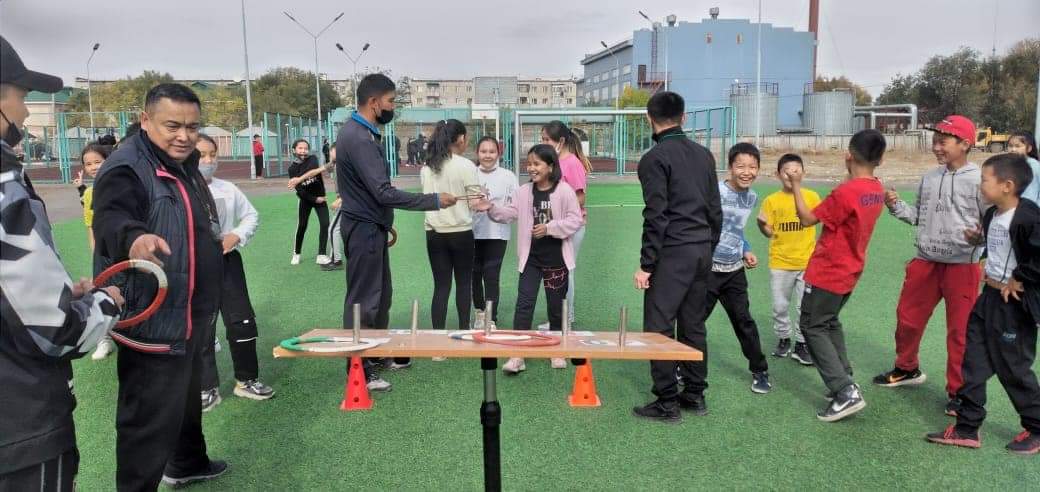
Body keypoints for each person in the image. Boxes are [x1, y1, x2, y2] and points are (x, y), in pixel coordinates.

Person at [0, 34, 124, 492]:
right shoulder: (4, 187)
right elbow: (56, 329)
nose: (26, 112)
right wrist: (105, 304)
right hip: (18, 426)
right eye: (20, 96)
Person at [92, 83, 228, 489]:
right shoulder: (125, 167)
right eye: (172, 125)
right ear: (145, 120)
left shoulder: (181, 160)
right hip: (153, 318)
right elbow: (111, 217)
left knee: (186, 398)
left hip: (188, 312)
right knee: (146, 422)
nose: (184, 136)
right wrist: (134, 236)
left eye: (192, 126)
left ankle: (187, 462)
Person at [336, 73, 456, 389]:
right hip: (363, 229)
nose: (392, 108)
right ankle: (359, 369)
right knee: (364, 300)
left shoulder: (361, 133)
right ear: (374, 102)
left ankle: (375, 356)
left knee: (381, 296)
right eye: (390, 101)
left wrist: (383, 223)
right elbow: (382, 192)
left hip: (370, 227)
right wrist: (434, 200)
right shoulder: (358, 138)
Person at [926, 153, 1040, 455]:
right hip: (987, 297)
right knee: (972, 362)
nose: (980, 186)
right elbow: (998, 247)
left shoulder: (1030, 217)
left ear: (1007, 185)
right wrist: (978, 240)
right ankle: (966, 428)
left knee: (1013, 368)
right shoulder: (991, 215)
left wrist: (1020, 278)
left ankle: (1037, 428)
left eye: (985, 180)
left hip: (1014, 303)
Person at [872, 115, 986, 417]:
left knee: (960, 332)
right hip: (925, 261)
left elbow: (994, 222)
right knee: (907, 318)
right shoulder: (929, 177)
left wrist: (981, 238)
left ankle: (958, 392)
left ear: (965, 144)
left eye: (943, 140)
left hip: (963, 266)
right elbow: (918, 216)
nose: (936, 146)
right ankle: (906, 368)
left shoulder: (980, 180)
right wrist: (895, 205)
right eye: (935, 140)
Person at [631, 91, 722, 423]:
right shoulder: (704, 155)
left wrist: (646, 264)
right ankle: (695, 395)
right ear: (684, 118)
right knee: (694, 325)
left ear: (649, 118)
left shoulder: (654, 159)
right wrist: (707, 247)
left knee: (658, 327)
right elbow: (715, 209)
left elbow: (656, 216)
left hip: (673, 253)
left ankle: (667, 401)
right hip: (701, 249)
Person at [788, 129, 888, 422]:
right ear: (879, 159)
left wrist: (796, 184)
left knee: (812, 325)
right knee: (829, 322)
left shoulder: (845, 192)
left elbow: (807, 219)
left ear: (848, 155)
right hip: (850, 269)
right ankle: (844, 377)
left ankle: (844, 391)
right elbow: (852, 188)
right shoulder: (875, 188)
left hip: (828, 270)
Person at [475, 144, 583, 374]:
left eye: (537, 164)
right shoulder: (524, 192)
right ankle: (518, 355)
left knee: (556, 308)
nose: (531, 168)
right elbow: (509, 214)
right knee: (524, 305)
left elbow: (575, 220)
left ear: (550, 166)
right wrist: (490, 208)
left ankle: (556, 351)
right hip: (531, 260)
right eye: (529, 163)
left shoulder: (564, 191)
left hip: (557, 260)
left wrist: (551, 227)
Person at [195, 134, 274, 412]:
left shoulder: (228, 189)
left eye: (212, 154)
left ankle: (247, 380)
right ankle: (206, 388)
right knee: (201, 329)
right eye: (201, 154)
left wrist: (236, 236)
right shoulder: (177, 189)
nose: (208, 160)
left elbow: (251, 215)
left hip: (227, 265)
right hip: (194, 268)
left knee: (242, 322)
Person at [687, 142, 772, 396]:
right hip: (708, 272)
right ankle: (684, 366)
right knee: (694, 323)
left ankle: (760, 371)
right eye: (741, 166)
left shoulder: (752, 197)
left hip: (734, 272)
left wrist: (745, 249)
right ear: (730, 167)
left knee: (744, 322)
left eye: (753, 167)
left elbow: (737, 228)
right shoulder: (715, 193)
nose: (747, 171)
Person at [756, 153, 819, 365]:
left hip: (807, 263)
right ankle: (783, 338)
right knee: (780, 306)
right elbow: (768, 231)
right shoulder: (772, 200)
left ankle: (801, 344)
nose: (792, 174)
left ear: (803, 173)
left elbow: (815, 221)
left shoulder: (812, 197)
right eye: (787, 171)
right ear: (777, 174)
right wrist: (762, 225)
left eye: (796, 170)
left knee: (805, 308)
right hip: (781, 263)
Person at [421, 119, 480, 339]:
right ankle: (464, 332)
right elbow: (476, 201)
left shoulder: (428, 167)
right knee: (464, 283)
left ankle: (438, 342)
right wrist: (484, 200)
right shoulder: (466, 165)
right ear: (461, 139)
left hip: (435, 234)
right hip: (462, 233)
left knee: (441, 286)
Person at [540, 120, 591, 328]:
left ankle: (565, 319)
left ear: (560, 141)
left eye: (546, 140)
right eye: (542, 139)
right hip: (556, 226)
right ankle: (559, 318)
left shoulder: (572, 163)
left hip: (570, 227)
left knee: (565, 271)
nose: (543, 143)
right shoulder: (554, 163)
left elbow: (580, 198)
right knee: (557, 271)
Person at [72, 143, 117, 361]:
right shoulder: (89, 193)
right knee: (102, 290)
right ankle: (104, 339)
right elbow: (90, 226)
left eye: (97, 161)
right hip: (103, 253)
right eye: (88, 164)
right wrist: (96, 253)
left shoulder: (123, 185)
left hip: (124, 251)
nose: (93, 167)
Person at [472, 136, 518, 330]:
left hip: (497, 234)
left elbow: (514, 205)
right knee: (474, 274)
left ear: (498, 153)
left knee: (491, 275)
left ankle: (491, 317)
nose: (487, 155)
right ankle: (479, 313)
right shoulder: (471, 174)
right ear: (477, 153)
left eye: (492, 151)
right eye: (483, 151)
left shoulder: (508, 176)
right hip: (472, 232)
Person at [288, 139, 331, 267]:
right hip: (306, 200)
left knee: (325, 224)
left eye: (305, 148)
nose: (303, 151)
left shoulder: (313, 159)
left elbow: (312, 170)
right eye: (300, 148)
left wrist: (299, 178)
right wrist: (314, 199)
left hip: (320, 198)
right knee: (302, 226)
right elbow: (299, 190)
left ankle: (321, 255)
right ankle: (296, 253)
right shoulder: (291, 169)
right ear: (294, 150)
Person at [1007, 131, 1040, 204]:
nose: (1013, 149)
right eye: (1010, 146)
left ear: (1029, 148)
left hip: (1030, 211)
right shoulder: (1007, 165)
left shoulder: (1035, 166)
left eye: (1017, 146)